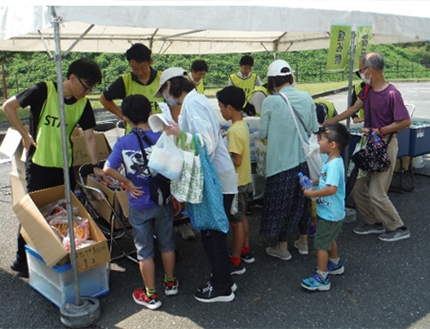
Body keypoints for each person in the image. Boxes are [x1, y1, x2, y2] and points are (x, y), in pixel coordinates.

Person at [3, 58, 106, 277]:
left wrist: (96, 165)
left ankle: (59, 258)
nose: (87, 92)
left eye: (91, 89)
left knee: (63, 213)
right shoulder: (43, 90)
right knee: (33, 215)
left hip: (64, 168)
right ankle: (22, 261)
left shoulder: (82, 104)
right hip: (39, 165)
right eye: (85, 86)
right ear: (71, 78)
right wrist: (24, 134)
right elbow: (8, 107)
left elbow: (89, 136)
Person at [154, 67, 238, 303]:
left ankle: (222, 287)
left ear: (171, 85)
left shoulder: (193, 103)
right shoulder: (195, 101)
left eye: (164, 91)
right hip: (217, 176)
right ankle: (224, 280)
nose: (165, 97)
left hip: (215, 178)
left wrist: (179, 133)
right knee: (213, 234)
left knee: (213, 235)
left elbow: (206, 143)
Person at [324, 52, 411, 242]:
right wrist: (329, 122)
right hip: (368, 145)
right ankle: (373, 222)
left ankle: (397, 226)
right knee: (357, 185)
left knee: (376, 191)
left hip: (385, 145)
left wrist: (379, 130)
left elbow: (405, 121)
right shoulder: (367, 90)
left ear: (370, 70)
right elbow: (353, 109)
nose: (360, 74)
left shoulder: (392, 94)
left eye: (361, 71)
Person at [103, 94, 178, 310]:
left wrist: (127, 182)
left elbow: (108, 169)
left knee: (144, 250)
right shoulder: (162, 135)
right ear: (149, 113)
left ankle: (151, 295)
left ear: (125, 118)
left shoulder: (123, 142)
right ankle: (170, 283)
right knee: (167, 243)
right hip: (162, 198)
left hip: (138, 203)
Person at [259, 59, 319, 260]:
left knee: (282, 205)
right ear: (290, 77)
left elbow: (263, 133)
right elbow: (314, 127)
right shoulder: (306, 97)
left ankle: (282, 247)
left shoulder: (271, 101)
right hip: (303, 161)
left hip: (280, 164)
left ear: (272, 81)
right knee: (302, 202)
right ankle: (303, 243)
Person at [300, 123, 350, 291]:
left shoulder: (334, 164)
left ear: (333, 144)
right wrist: (314, 182)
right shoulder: (331, 160)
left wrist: (312, 194)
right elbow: (326, 180)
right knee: (329, 238)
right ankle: (335, 264)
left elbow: (332, 188)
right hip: (328, 212)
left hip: (330, 213)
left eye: (321, 140)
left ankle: (322, 277)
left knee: (321, 244)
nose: (318, 143)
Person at [217, 86, 255, 275]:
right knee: (242, 216)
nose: (221, 111)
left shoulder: (233, 131)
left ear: (230, 108)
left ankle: (236, 259)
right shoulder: (242, 125)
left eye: (221, 107)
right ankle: (246, 250)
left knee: (236, 222)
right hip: (247, 179)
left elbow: (236, 160)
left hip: (236, 183)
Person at [100, 43, 163, 134]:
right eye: (135, 68)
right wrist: (122, 116)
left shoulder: (162, 79)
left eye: (143, 67)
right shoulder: (125, 81)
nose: (139, 72)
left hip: (160, 135)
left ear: (150, 62)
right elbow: (103, 98)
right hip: (134, 137)